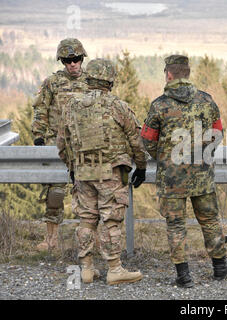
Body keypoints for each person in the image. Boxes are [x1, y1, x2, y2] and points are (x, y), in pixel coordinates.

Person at [141, 54, 227, 287]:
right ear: (187, 74)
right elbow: (218, 132)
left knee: (176, 225)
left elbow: (148, 140)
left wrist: (163, 158)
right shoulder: (207, 101)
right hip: (202, 175)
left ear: (169, 74)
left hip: (171, 178)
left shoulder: (159, 105)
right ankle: (220, 267)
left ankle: (184, 275)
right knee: (210, 220)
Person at [56, 58, 147, 285]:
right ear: (110, 80)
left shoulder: (72, 107)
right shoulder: (117, 106)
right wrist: (141, 166)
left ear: (89, 78)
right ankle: (114, 269)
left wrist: (72, 167)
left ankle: (86, 268)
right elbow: (136, 140)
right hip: (111, 172)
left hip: (83, 171)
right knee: (110, 220)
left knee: (86, 219)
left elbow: (62, 143)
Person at [31, 38, 89, 251]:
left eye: (76, 59)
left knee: (87, 192)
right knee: (55, 192)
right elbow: (40, 109)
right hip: (57, 144)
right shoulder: (52, 83)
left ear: (82, 59)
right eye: (67, 60)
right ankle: (51, 240)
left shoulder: (92, 81)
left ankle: (89, 240)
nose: (72, 64)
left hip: (85, 145)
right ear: (62, 61)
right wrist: (39, 135)